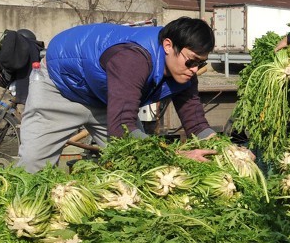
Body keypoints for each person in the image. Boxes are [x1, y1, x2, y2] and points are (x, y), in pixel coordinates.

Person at [16, 17, 218, 172]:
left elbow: (196, 123)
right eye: (191, 61)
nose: (194, 69)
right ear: (168, 46)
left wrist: (226, 150)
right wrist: (178, 154)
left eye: (201, 63)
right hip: (62, 88)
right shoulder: (132, 59)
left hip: (108, 98)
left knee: (136, 168)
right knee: (33, 165)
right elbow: (122, 128)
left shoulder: (184, 71)